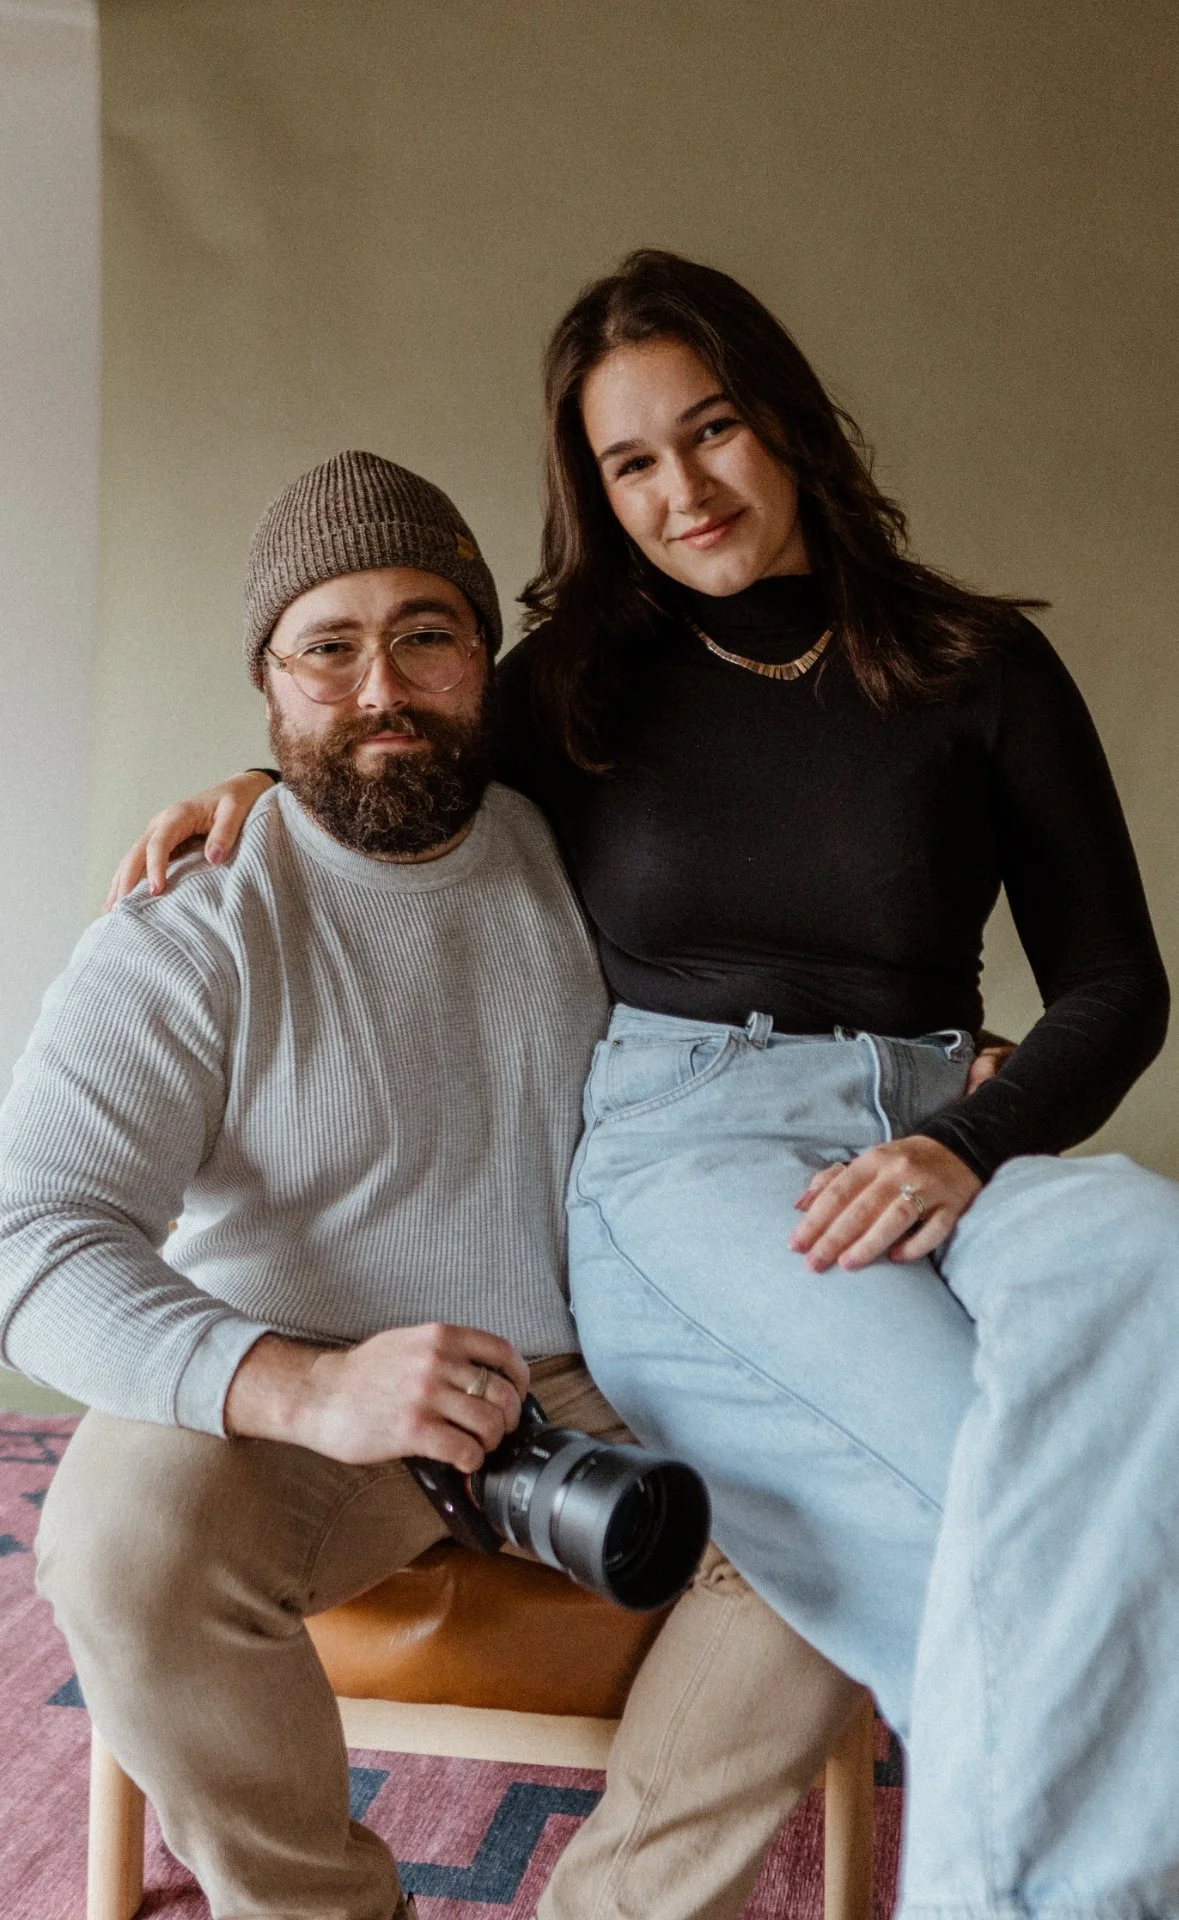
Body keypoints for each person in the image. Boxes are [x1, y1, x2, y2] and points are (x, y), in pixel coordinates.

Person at [108, 252, 1179, 1920]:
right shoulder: (578, 682)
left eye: (713, 429)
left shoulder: (974, 664)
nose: (683, 489)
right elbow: (392, 742)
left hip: (934, 1132)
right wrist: (256, 772)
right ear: (594, 495)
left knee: (1144, 1264)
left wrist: (972, 1137)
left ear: (787, 421)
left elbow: (1115, 984)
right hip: (697, 1155)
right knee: (975, 1473)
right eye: (629, 463)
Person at [0, 451, 869, 1920]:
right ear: (268, 684)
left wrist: (949, 1065)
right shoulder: (190, 920)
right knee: (115, 1545)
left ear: (486, 659)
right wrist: (304, 1388)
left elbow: (800, 978)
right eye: (326, 649)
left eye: (426, 635)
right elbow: (32, 1241)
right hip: (312, 1396)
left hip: (606, 1371)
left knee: (876, 1483)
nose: (381, 689)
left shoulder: (596, 854)